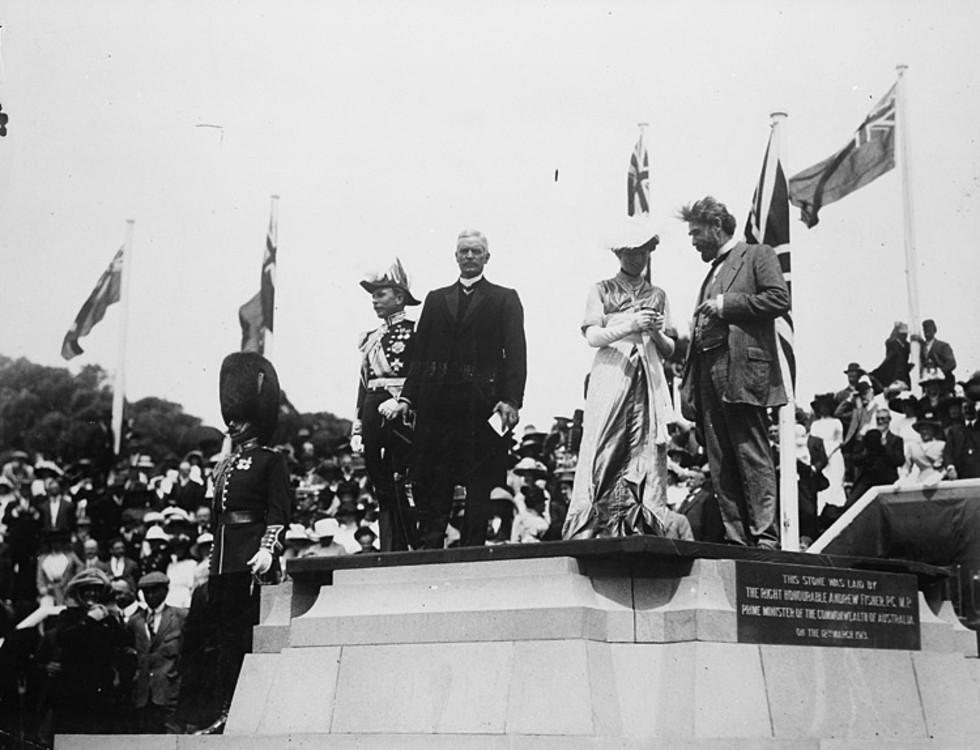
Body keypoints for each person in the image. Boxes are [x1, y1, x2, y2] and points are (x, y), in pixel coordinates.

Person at [392, 228, 527, 548]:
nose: (469, 257)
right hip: (437, 408)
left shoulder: (504, 298)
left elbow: (516, 354)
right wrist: (408, 398)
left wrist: (511, 399)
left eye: (476, 252)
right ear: (455, 256)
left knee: (479, 482)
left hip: (482, 406)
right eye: (464, 251)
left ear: (487, 258)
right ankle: (430, 546)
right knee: (434, 478)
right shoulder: (436, 299)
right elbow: (419, 354)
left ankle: (473, 549)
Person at [563, 227, 691, 540]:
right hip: (612, 369)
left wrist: (656, 332)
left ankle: (641, 521)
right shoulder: (602, 289)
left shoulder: (658, 294)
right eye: (632, 252)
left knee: (645, 443)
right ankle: (599, 522)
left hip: (647, 372)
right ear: (620, 254)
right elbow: (592, 336)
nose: (639, 258)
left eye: (644, 252)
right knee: (605, 439)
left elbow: (670, 348)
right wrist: (629, 325)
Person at [677, 196, 790, 549]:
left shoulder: (758, 255)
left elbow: (778, 299)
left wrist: (727, 305)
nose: (693, 241)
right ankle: (739, 540)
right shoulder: (710, 272)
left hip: (741, 369)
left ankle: (765, 538)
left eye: (696, 233)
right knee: (721, 458)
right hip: (708, 372)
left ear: (715, 226)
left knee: (750, 452)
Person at [198, 352, 292, 734]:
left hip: (251, 558)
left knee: (243, 637)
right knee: (222, 642)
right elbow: (217, 518)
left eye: (237, 417)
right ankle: (224, 710)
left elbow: (279, 511)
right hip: (224, 562)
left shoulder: (272, 461)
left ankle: (243, 710)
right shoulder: (224, 465)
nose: (231, 424)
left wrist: (268, 548)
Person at [350, 258, 420, 551]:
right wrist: (357, 426)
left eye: (381, 294)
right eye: (373, 295)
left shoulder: (417, 331)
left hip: (402, 415)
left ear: (399, 296)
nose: (375, 301)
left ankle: (411, 545)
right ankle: (391, 546)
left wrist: (405, 401)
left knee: (404, 481)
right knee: (381, 487)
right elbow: (363, 383)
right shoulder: (371, 338)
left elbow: (419, 376)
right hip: (372, 415)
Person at [129, 571, 188, 733]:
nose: (150, 595)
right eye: (146, 592)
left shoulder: (180, 617)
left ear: (165, 591)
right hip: (142, 694)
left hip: (170, 691)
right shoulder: (136, 621)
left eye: (154, 590)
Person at [944, 371, 980, 480]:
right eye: (965, 407)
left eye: (971, 407)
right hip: (961, 477)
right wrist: (950, 468)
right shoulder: (954, 430)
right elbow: (948, 453)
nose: (968, 410)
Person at [911, 318, 957, 385]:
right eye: (925, 331)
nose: (927, 333)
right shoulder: (921, 347)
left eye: (929, 330)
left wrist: (939, 371)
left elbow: (952, 363)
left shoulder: (943, 346)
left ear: (934, 330)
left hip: (943, 383)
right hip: (928, 384)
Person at [869, 322, 912, 390]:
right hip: (893, 373)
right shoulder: (893, 344)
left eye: (905, 334)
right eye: (902, 334)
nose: (904, 336)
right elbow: (889, 341)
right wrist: (896, 328)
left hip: (903, 373)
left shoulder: (907, 345)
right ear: (898, 334)